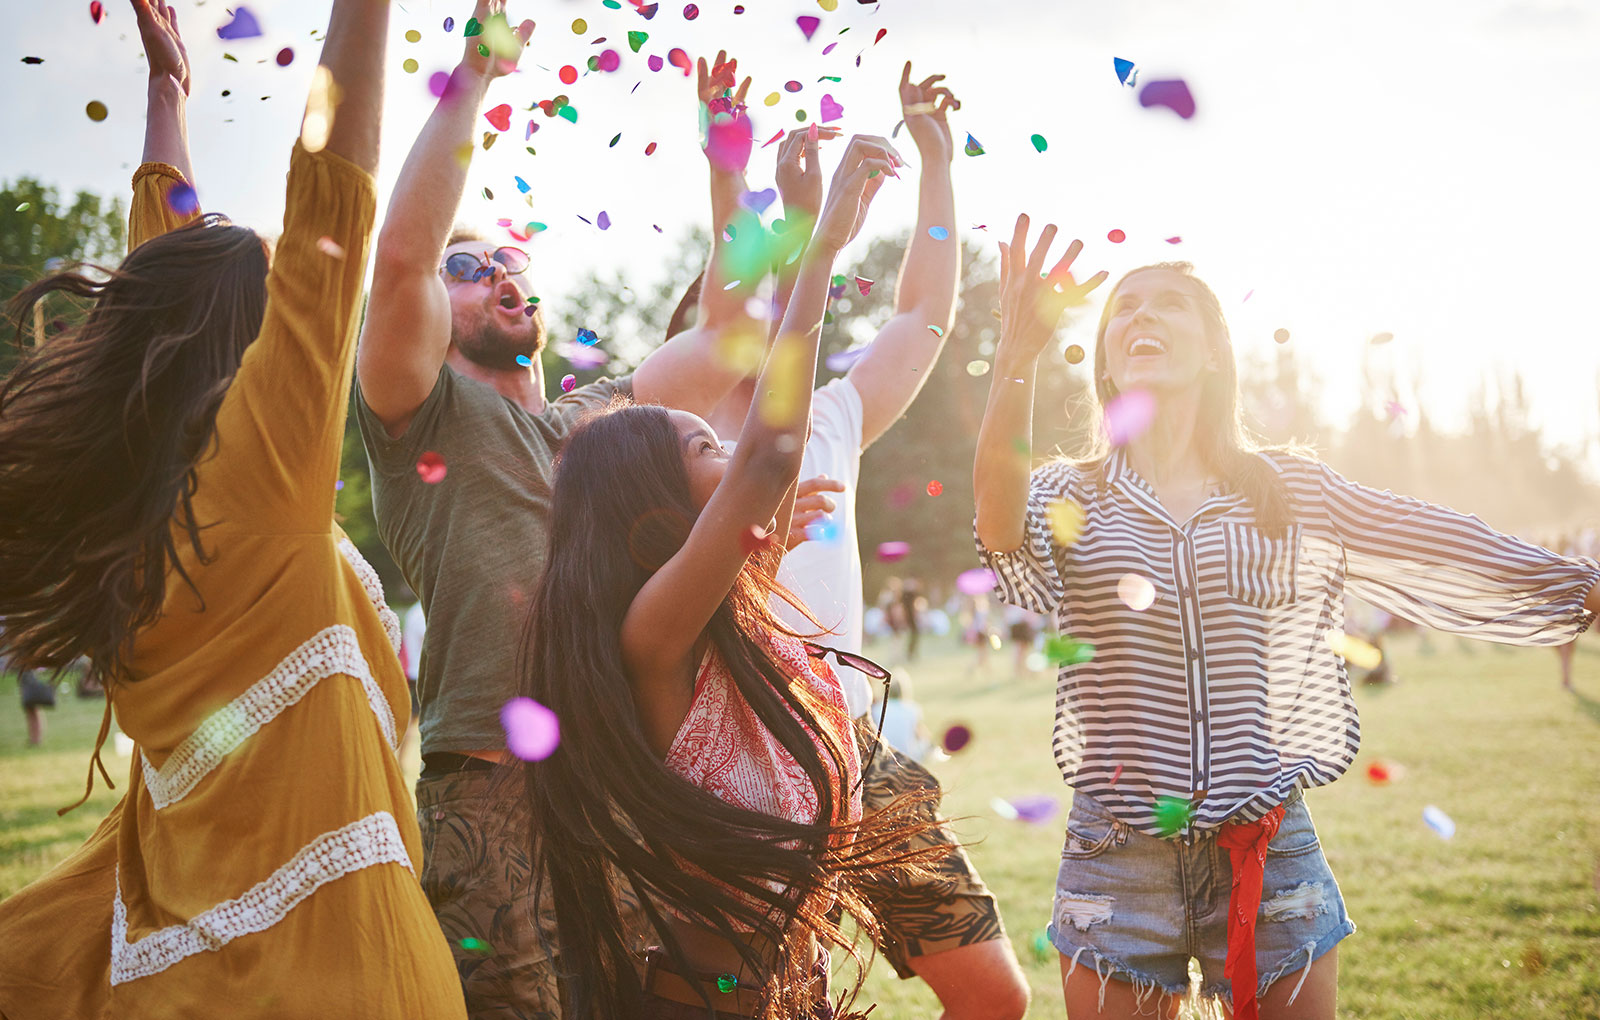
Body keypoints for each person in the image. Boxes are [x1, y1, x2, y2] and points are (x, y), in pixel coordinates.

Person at [971, 217, 1600, 1020]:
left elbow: (1428, 532)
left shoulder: (1288, 490)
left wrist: (1575, 583)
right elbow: (997, 524)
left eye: (1168, 304)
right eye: (1124, 308)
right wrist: (1017, 354)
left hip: (1267, 850)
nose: (1140, 317)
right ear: (1104, 357)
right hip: (1114, 858)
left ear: (1211, 352)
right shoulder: (1069, 496)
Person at [0, 2, 466, 1017]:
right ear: (251, 336)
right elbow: (332, 197)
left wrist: (167, 92)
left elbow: (161, 281)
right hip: (344, 982)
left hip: (185, 976)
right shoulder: (264, 479)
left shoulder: (139, 514)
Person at [354, 15, 772, 1013]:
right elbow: (403, 259)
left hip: (623, 777)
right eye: (472, 269)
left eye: (510, 263)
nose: (499, 273)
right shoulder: (416, 415)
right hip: (487, 789)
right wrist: (473, 76)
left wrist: (727, 167)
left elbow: (728, 332)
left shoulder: (606, 423)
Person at [520, 131, 933, 1020]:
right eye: (708, 445)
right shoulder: (654, 634)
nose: (732, 445)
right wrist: (818, 250)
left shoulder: (739, 610)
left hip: (792, 994)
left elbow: (764, 480)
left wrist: (789, 231)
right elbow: (770, 460)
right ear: (656, 501)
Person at [696, 63, 1030, 1020]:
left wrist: (936, 163)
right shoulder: (658, 446)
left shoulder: (833, 414)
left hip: (854, 749)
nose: (753, 308)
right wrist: (727, 170)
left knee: (995, 999)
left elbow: (924, 316)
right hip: (733, 775)